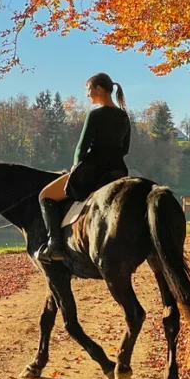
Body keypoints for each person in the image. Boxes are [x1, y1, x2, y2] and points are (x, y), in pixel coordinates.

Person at [35, 72, 131, 262]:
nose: (87, 95)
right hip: (118, 171)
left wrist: (75, 166)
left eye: (88, 90)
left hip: (94, 170)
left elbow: (82, 146)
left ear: (99, 89)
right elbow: (125, 149)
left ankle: (55, 245)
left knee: (45, 196)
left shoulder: (95, 114)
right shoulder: (124, 116)